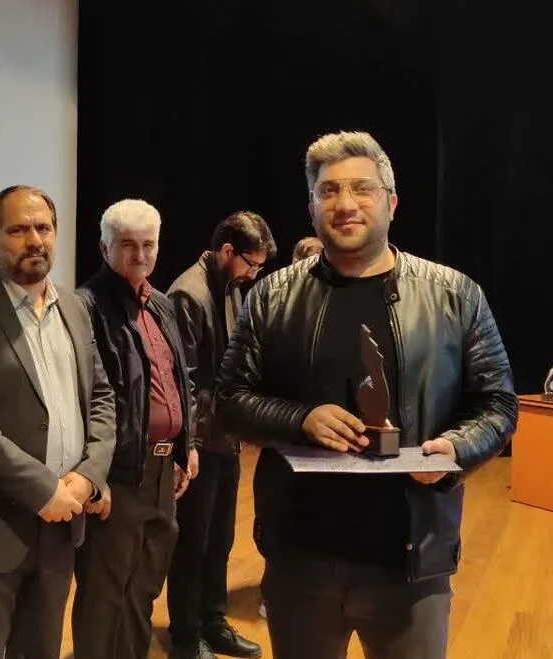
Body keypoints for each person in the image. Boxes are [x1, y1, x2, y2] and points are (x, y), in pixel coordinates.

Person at [215, 130, 517, 659]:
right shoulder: (271, 296)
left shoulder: (454, 294)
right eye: (328, 191)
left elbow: (498, 404)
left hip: (413, 563)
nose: (345, 204)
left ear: (391, 203)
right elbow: (230, 399)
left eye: (362, 188)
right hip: (300, 561)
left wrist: (456, 449)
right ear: (312, 207)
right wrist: (299, 418)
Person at [0, 185, 116, 659]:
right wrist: (42, 489)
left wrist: (88, 476)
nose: (35, 240)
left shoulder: (75, 307)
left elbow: (100, 397)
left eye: (44, 228)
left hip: (62, 527)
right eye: (18, 230)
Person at [72, 199, 198, 659]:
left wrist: (187, 444)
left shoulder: (160, 303)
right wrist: (94, 475)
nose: (140, 254)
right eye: (128, 245)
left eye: (148, 244)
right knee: (104, 595)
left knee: (143, 588)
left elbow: (181, 380)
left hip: (162, 473)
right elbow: (82, 400)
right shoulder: (84, 307)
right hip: (118, 476)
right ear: (104, 248)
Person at [166, 211, 275, 659]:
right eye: (252, 264)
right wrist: (189, 445)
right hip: (200, 443)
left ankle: (213, 622)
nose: (254, 275)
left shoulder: (230, 286)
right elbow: (183, 380)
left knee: (221, 541)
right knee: (192, 543)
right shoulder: (187, 293)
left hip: (225, 438)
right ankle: (185, 635)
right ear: (227, 251)